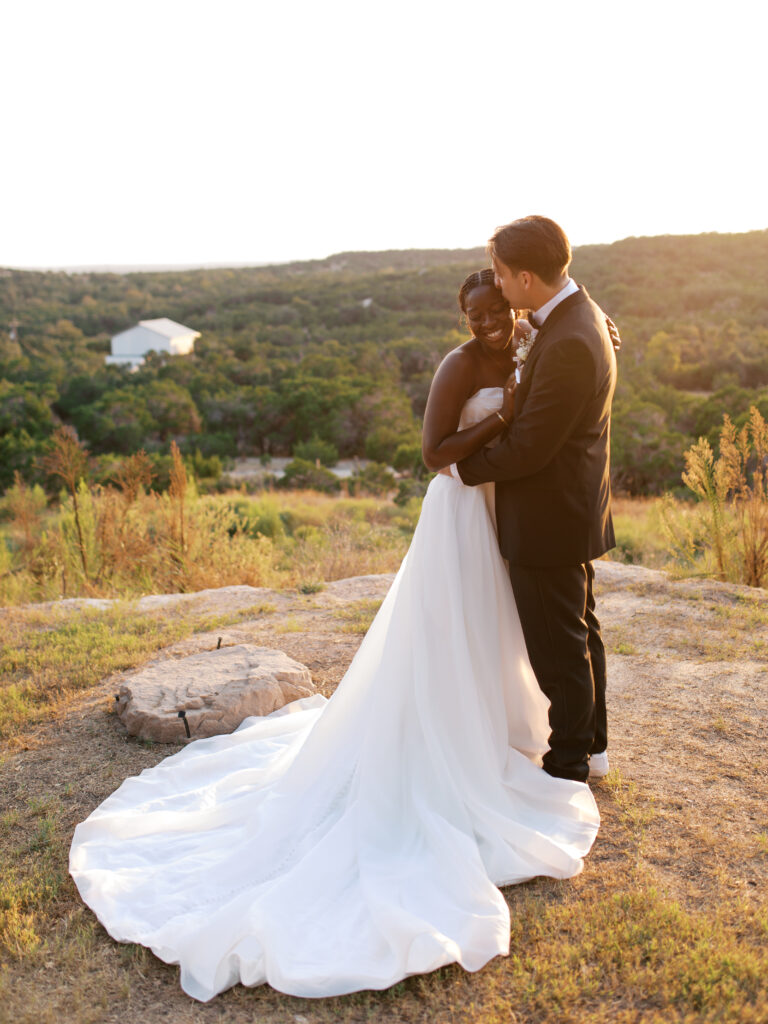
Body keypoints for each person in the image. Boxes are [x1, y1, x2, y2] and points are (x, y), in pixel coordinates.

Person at [69, 270, 600, 1003]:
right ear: (461, 314)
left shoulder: (533, 341)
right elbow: (433, 451)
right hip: (459, 510)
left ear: (514, 304)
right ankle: (447, 739)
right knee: (447, 629)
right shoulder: (458, 365)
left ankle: (500, 731)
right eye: (475, 313)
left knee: (498, 627)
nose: (488, 322)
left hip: (502, 510)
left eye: (496, 309)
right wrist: (498, 422)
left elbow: (565, 366)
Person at [453, 216, 618, 784]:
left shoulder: (571, 338)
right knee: (577, 632)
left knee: (558, 649)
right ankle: (591, 747)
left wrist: (462, 467)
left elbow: (528, 450)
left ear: (526, 276)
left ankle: (568, 765)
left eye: (500, 275)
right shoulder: (574, 315)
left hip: (548, 516)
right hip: (570, 509)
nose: (495, 286)